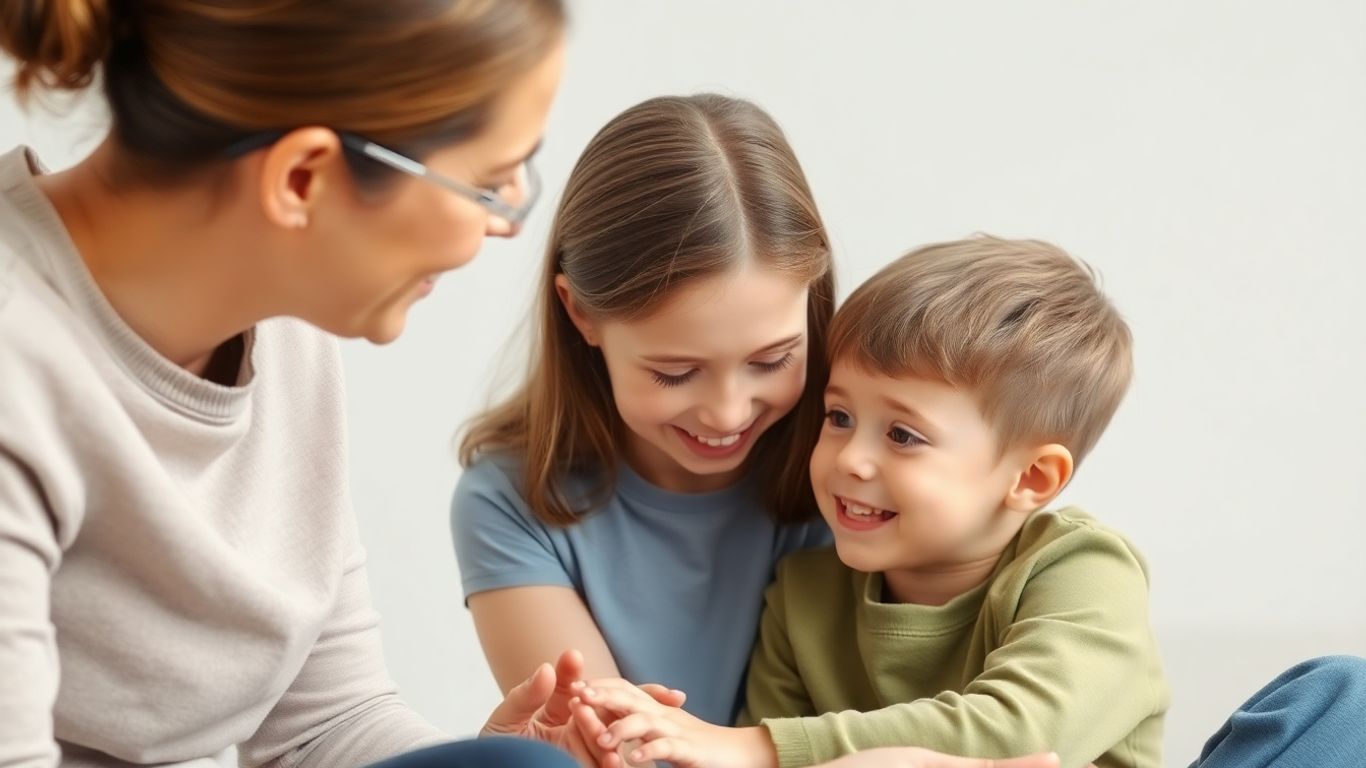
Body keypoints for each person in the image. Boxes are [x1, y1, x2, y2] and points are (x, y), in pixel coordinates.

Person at [0, 1, 614, 765]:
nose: (509, 223)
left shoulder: (283, 332)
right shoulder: (18, 365)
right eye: (490, 184)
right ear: (302, 177)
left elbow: (325, 722)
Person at [579, 236, 1169, 767]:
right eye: (839, 417)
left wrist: (754, 747)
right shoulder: (805, 596)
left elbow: (1024, 732)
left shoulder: (1084, 571)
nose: (849, 459)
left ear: (1033, 478)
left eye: (902, 436)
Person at [451, 93, 836, 729]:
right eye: (676, 373)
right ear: (581, 314)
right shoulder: (510, 501)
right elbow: (615, 748)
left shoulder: (856, 471)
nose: (727, 412)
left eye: (771, 361)